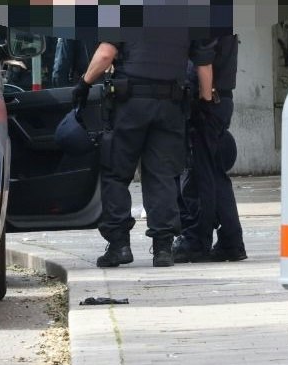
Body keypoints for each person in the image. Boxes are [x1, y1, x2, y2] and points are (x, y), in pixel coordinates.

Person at [75, 36, 194, 268]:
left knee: (116, 173)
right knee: (162, 175)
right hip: (171, 104)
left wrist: (84, 84)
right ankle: (163, 249)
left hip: (130, 104)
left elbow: (105, 54)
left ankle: (119, 246)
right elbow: (201, 60)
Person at [173, 32, 245, 263]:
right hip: (217, 98)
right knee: (214, 174)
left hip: (208, 99)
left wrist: (203, 103)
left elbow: (203, 61)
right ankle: (231, 241)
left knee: (203, 175)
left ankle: (198, 241)